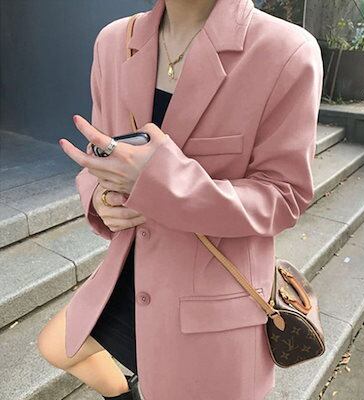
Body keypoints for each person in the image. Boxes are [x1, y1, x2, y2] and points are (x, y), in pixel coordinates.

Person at [37, 0, 323, 399]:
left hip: (211, 301)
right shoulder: (113, 42)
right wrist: (99, 195)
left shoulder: (284, 51)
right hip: (129, 274)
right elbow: (102, 154)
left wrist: (162, 182)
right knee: (55, 345)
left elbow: (284, 195)